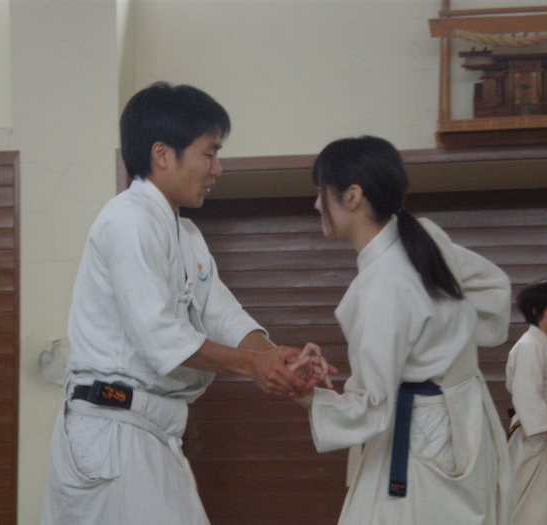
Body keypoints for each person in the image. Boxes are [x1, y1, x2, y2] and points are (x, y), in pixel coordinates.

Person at [40, 82, 332, 525]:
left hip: (152, 431)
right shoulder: (127, 220)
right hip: (111, 430)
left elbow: (223, 316)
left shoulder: (187, 235)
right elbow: (160, 337)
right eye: (209, 153)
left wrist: (277, 359)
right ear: (162, 154)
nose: (217, 169)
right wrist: (254, 366)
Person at [295, 136, 512, 524]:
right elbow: (493, 289)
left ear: (352, 196)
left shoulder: (383, 284)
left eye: (320, 191)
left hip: (422, 437)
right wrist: (451, 347)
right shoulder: (423, 236)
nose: (315, 204)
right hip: (464, 418)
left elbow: (371, 408)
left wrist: (306, 395)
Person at [506, 279, 547, 525]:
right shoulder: (529, 346)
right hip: (537, 435)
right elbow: (527, 396)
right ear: (536, 311)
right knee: (533, 506)